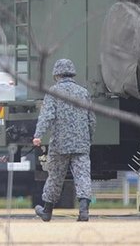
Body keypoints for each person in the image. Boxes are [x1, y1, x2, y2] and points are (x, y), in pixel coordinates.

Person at [33, 58, 96, 222]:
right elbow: (92, 120)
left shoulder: (53, 92)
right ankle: (84, 211)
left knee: (55, 177)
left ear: (56, 74)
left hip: (60, 144)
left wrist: (38, 135)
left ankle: (47, 211)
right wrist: (89, 138)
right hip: (81, 143)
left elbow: (47, 116)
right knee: (82, 176)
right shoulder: (83, 92)